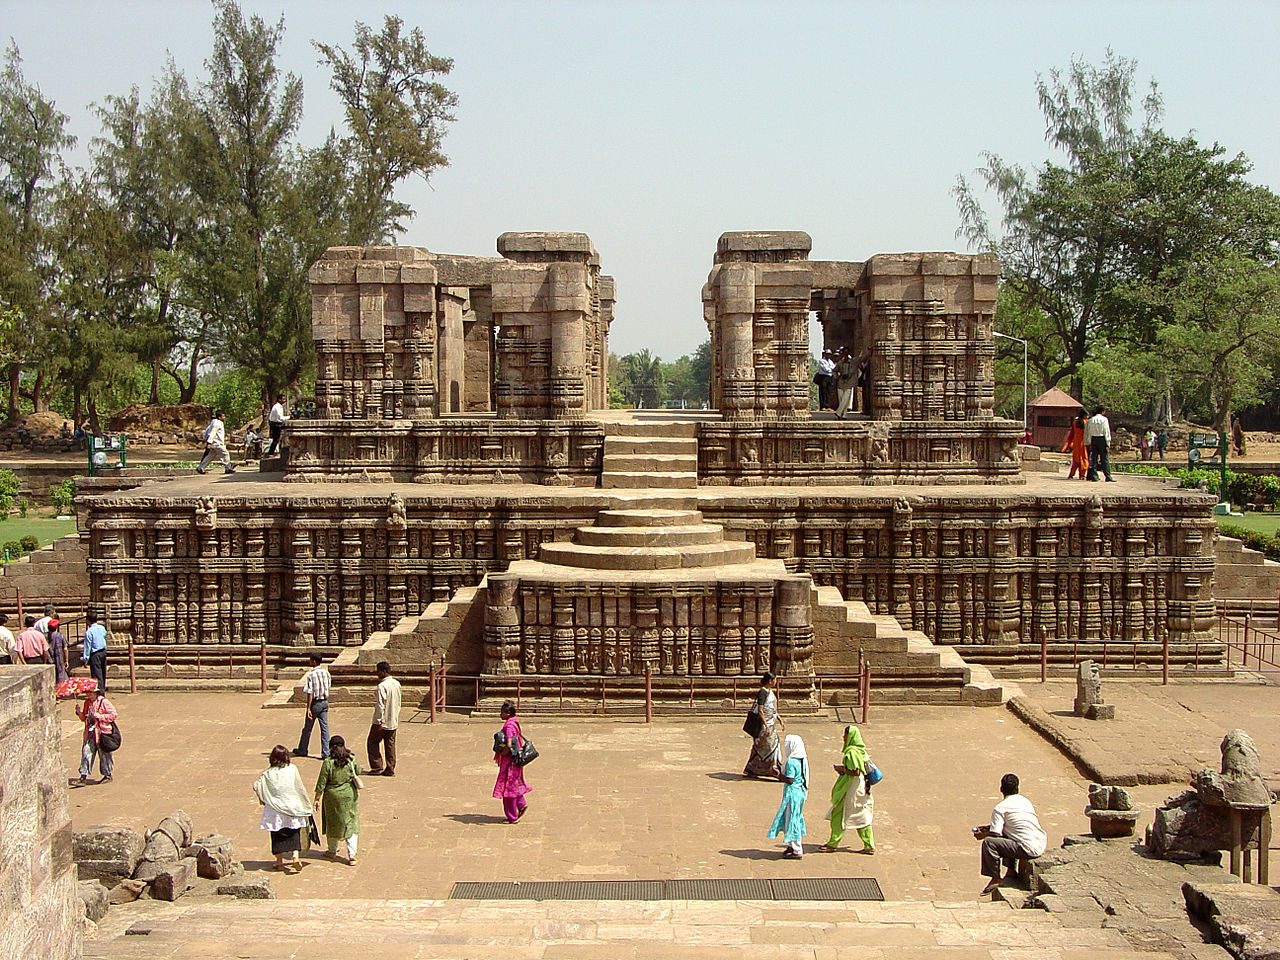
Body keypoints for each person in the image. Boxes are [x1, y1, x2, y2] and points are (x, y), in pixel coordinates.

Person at [974, 773, 1047, 894]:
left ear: (1001, 789)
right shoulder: (1025, 801)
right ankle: (1011, 870)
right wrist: (989, 828)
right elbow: (1012, 824)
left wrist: (983, 835)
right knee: (1008, 834)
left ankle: (995, 878)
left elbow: (995, 834)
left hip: (1028, 848)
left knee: (989, 843)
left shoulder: (1000, 808)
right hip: (1040, 842)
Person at [254, 745, 313, 874]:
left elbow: (257, 786)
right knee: (294, 832)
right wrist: (305, 803)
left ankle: (279, 861)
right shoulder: (292, 769)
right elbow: (299, 786)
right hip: (292, 806)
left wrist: (264, 797)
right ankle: (295, 856)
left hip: (275, 809)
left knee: (277, 835)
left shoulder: (268, 773)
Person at [820, 724, 875, 854]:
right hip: (861, 786)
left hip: (851, 788)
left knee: (839, 814)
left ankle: (833, 843)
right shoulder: (861, 750)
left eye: (845, 735)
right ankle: (869, 845)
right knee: (861, 816)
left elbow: (855, 771)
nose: (843, 737)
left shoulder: (851, 752)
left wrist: (841, 769)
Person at [314, 735, 361, 865]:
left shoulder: (328, 762)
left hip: (332, 797)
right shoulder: (351, 759)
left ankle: (332, 850)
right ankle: (352, 855)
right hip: (349, 795)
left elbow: (321, 782)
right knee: (350, 823)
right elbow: (358, 771)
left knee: (332, 823)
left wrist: (317, 799)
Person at [767, 734, 809, 859]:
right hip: (800, 793)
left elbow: (790, 780)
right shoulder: (802, 759)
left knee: (792, 820)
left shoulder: (791, 762)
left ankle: (797, 849)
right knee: (791, 818)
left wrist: (778, 775)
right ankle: (791, 845)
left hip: (792, 795)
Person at [492, 700, 531, 823]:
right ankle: (521, 804)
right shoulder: (514, 723)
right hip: (516, 760)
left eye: (502, 713)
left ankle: (512, 817)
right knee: (514, 785)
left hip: (510, 761)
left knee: (508, 789)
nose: (500, 715)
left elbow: (508, 744)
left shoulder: (509, 726)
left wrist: (502, 753)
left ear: (508, 713)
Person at [743, 672, 785, 779]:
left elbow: (772, 708)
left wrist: (780, 719)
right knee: (767, 746)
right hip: (763, 725)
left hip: (771, 723)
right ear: (770, 681)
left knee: (772, 745)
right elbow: (761, 710)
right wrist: (766, 726)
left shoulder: (770, 692)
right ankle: (771, 768)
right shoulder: (762, 692)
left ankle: (759, 767)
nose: (775, 682)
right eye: (774, 680)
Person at [76, 685, 117, 784]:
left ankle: (107, 774)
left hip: (102, 733)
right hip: (90, 733)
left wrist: (100, 717)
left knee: (104, 755)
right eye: (87, 692)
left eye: (91, 692)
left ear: (96, 692)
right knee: (86, 752)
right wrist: (79, 712)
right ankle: (83, 775)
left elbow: (113, 715)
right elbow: (84, 718)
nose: (89, 694)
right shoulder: (87, 703)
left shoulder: (104, 702)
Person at [367, 661, 401, 777]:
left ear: (383, 672)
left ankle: (377, 767)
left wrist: (378, 721)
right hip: (393, 720)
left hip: (382, 721)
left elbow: (380, 706)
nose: (377, 673)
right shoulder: (397, 684)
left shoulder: (382, 686)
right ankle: (390, 768)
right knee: (390, 744)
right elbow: (398, 703)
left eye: (378, 671)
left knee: (372, 742)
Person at [294, 652, 331, 759]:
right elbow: (328, 687)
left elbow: (310, 693)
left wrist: (308, 708)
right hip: (324, 702)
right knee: (324, 728)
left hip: (315, 703)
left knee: (307, 728)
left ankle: (303, 749)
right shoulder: (326, 673)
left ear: (314, 661)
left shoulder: (311, 675)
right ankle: (326, 752)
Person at [197, 410, 236, 475]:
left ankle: (200, 468)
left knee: (210, 456)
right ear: (219, 417)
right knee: (225, 454)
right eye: (223, 416)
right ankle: (228, 468)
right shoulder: (216, 423)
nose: (224, 417)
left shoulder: (215, 423)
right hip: (216, 443)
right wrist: (209, 442)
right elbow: (212, 433)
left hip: (215, 443)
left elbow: (207, 431)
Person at [1083, 406, 1114, 482]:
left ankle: (1094, 476)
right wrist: (1108, 443)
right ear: (1103, 411)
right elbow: (1106, 431)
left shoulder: (1090, 420)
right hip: (1102, 439)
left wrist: (1088, 442)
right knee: (1104, 459)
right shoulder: (1104, 420)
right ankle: (1108, 476)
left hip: (1093, 439)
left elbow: (1087, 432)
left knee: (1094, 458)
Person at [83, 611, 108, 693]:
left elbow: (87, 646)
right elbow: (104, 635)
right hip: (103, 651)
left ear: (88, 620)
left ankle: (100, 691)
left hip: (95, 654)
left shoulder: (89, 632)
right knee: (102, 672)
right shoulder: (102, 628)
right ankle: (102, 688)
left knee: (97, 674)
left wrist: (85, 658)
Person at [1062, 412, 1088, 480]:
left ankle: (1071, 474)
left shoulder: (1075, 422)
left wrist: (1068, 444)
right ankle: (1082, 474)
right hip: (1083, 441)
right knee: (1083, 458)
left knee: (1076, 458)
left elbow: (1071, 434)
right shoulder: (1086, 422)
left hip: (1076, 442)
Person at [834, 349, 858, 419]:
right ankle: (844, 415)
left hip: (849, 382)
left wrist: (869, 353)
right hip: (841, 382)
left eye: (846, 353)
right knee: (841, 399)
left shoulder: (853, 362)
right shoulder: (840, 362)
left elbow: (862, 358)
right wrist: (837, 377)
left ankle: (839, 412)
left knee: (846, 398)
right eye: (843, 353)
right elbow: (834, 371)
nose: (845, 354)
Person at [48, 617, 69, 684]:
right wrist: (66, 660)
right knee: (61, 678)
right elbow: (65, 649)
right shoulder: (60, 636)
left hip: (49, 659)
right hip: (59, 659)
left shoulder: (46, 636)